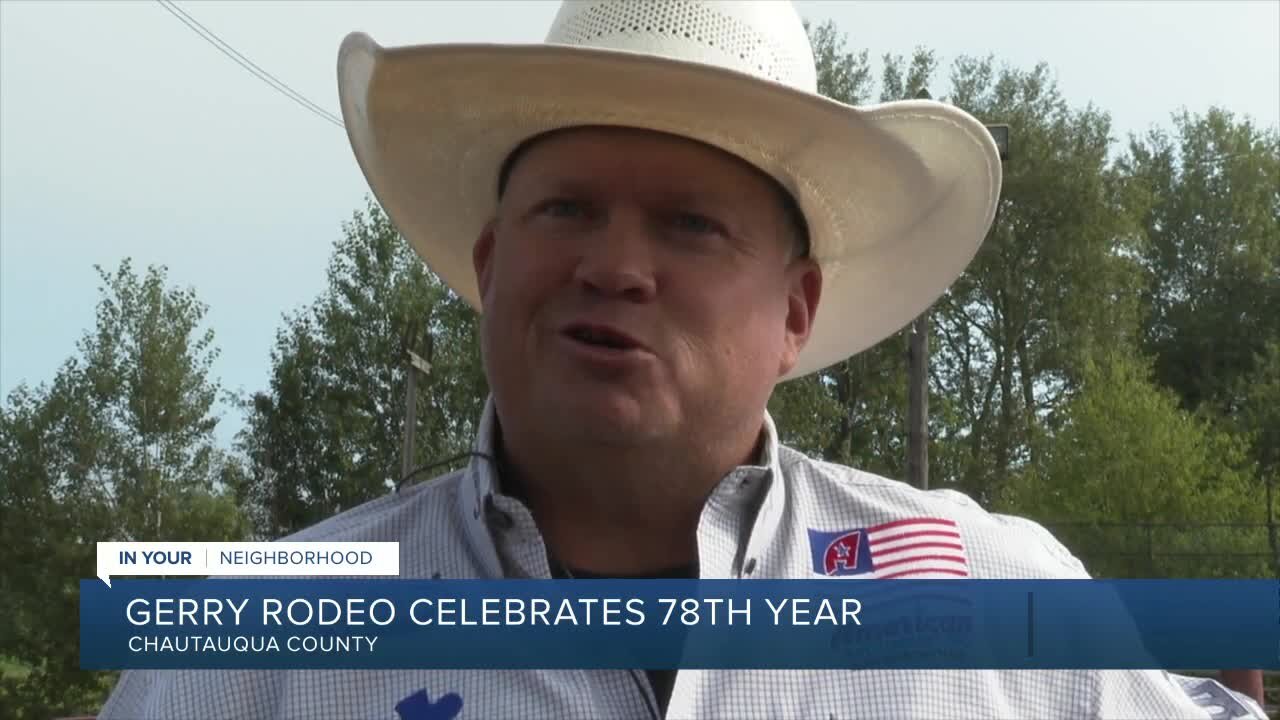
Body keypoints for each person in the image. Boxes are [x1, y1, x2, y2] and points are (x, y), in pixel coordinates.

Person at [100, 2, 1267, 718]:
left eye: (690, 226)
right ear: (491, 263)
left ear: (795, 312)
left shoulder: (993, 599)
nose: (613, 265)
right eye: (566, 211)